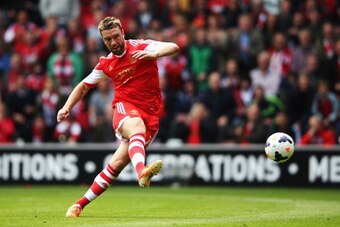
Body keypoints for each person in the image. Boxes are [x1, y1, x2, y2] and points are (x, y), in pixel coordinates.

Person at [57, 16, 179, 217]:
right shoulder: (106, 63)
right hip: (124, 108)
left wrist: (154, 54)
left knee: (116, 165)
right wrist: (66, 107)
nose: (113, 42)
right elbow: (83, 86)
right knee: (136, 126)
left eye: (115, 36)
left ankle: (78, 205)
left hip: (150, 113)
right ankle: (142, 171)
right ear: (103, 40)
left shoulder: (142, 46)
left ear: (123, 32)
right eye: (107, 39)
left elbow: (173, 47)